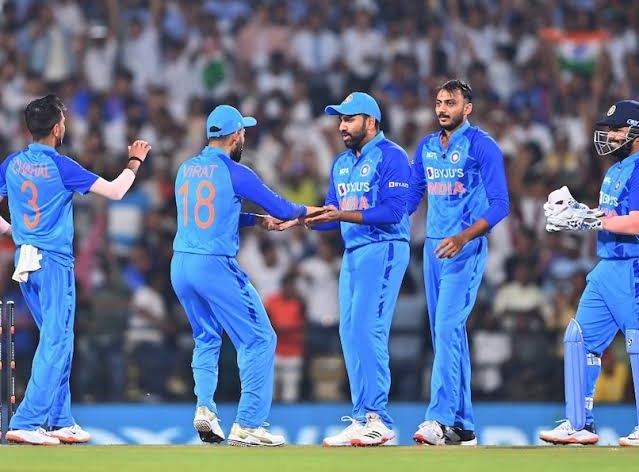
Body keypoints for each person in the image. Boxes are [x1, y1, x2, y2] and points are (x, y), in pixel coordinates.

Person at [0, 94, 151, 445]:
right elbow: (115, 192)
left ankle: (60, 420)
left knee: (58, 339)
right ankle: (27, 421)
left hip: (25, 260)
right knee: (56, 340)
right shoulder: (62, 166)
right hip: (53, 262)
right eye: (64, 122)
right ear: (57, 128)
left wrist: (12, 230)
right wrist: (134, 161)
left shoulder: (12, 163)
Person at [170, 104, 324, 447]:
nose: (245, 138)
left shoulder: (185, 169)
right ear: (236, 135)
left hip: (181, 264)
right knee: (260, 339)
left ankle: (205, 408)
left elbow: (208, 214)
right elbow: (282, 208)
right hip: (214, 264)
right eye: (244, 132)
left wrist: (255, 220)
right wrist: (306, 213)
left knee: (206, 338)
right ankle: (249, 424)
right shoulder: (236, 172)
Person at [282, 92, 411, 447]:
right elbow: (331, 213)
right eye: (340, 119)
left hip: (383, 248)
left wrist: (340, 215)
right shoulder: (341, 163)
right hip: (353, 253)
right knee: (350, 333)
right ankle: (361, 418)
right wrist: (298, 218)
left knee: (369, 329)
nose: (341, 126)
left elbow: (394, 211)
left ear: (371, 121)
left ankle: (379, 419)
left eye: (349, 119)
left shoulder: (392, 156)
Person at [406, 80, 509, 445]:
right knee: (447, 335)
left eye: (450, 102)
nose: (442, 108)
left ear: (467, 108)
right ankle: (463, 426)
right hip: (433, 249)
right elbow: (411, 196)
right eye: (438, 102)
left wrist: (464, 237)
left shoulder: (482, 145)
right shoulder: (427, 146)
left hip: (465, 248)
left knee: (448, 328)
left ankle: (439, 418)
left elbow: (500, 204)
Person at [539, 99, 639, 447]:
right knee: (579, 339)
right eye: (608, 129)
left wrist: (594, 221)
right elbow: (612, 216)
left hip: (633, 266)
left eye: (617, 129)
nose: (610, 136)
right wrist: (582, 214)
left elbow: (637, 222)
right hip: (607, 267)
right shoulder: (616, 170)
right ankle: (579, 423)